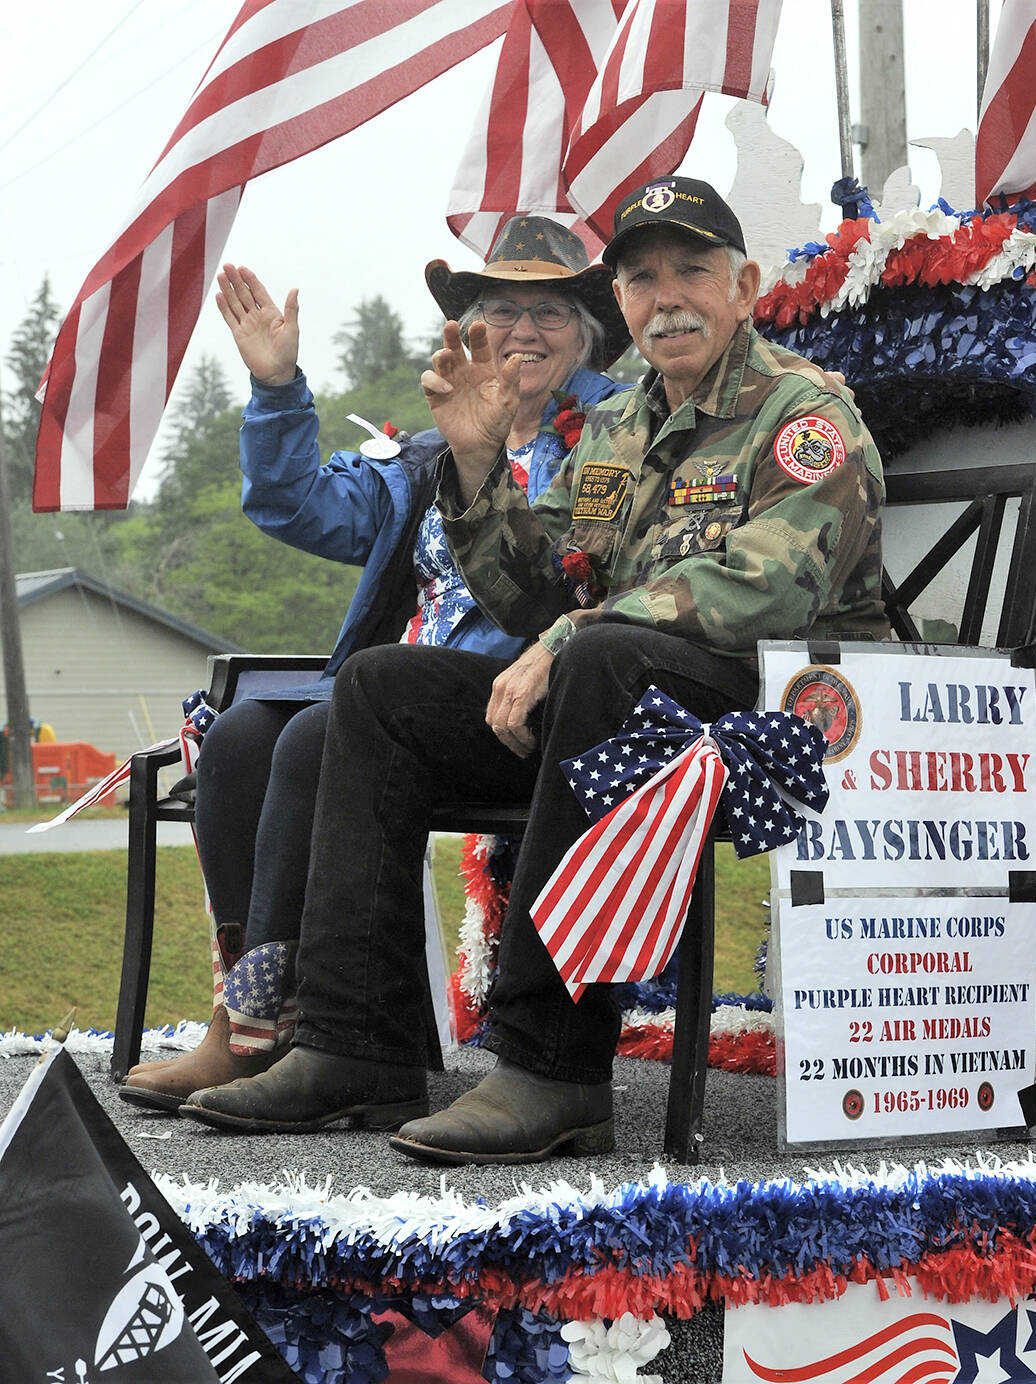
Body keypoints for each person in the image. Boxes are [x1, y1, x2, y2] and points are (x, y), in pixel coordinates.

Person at [178, 176, 889, 1161]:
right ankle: (357, 1046)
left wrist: (565, 638)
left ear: (747, 285)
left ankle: (551, 1064)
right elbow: (544, 590)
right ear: (626, 302)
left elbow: (767, 589)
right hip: (625, 712)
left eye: (692, 269)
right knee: (381, 686)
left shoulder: (803, 414)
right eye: (642, 277)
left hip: (774, 718)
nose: (667, 294)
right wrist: (474, 469)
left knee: (601, 655)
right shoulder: (620, 426)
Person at [120, 216, 631, 1112]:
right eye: (500, 311)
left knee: (322, 729)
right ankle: (251, 1019)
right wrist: (276, 386)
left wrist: (498, 461)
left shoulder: (613, 440)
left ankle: (304, 1028)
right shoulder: (430, 452)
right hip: (390, 698)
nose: (521, 332)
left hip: (522, 702)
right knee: (241, 736)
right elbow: (300, 508)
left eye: (548, 312)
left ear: (585, 334)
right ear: (468, 332)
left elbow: (582, 589)